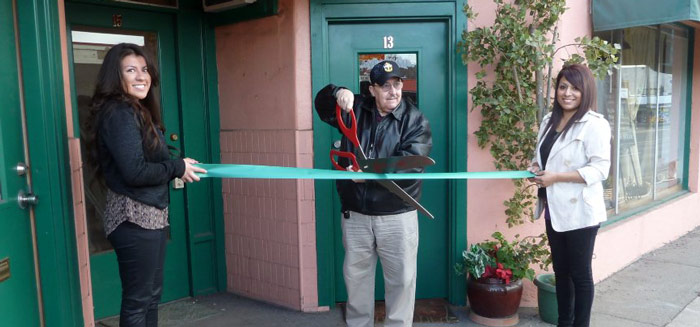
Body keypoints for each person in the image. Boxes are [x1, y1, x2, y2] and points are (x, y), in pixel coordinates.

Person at [84, 43, 206, 327]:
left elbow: (146, 160)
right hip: (133, 219)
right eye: (130, 70)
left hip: (149, 217)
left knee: (150, 297)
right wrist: (176, 167)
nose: (141, 76)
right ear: (115, 77)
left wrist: (180, 164)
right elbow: (135, 172)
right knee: (139, 302)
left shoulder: (135, 110)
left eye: (145, 69)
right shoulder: (119, 113)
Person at [314, 60, 432, 327]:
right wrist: (337, 93)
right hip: (356, 215)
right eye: (385, 86)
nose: (393, 91)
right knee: (356, 282)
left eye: (397, 84)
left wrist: (368, 174)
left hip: (397, 216)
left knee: (401, 283)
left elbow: (411, 164)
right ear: (372, 90)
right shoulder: (355, 108)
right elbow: (322, 106)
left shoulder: (415, 120)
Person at [529, 64, 611, 327]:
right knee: (561, 272)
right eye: (563, 86)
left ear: (585, 91)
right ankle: (564, 322)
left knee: (580, 275)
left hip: (581, 212)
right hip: (554, 208)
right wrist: (535, 169)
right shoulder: (548, 121)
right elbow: (541, 157)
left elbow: (600, 169)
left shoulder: (595, 124)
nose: (567, 93)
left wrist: (556, 177)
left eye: (575, 88)